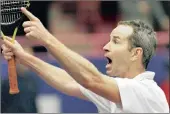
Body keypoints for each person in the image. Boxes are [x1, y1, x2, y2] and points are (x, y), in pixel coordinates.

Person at [1, 7, 169, 113]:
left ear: (135, 53)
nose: (106, 46)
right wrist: (25, 58)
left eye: (116, 41)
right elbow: (68, 82)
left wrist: (47, 39)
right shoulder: (116, 93)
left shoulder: (147, 92)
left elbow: (91, 79)